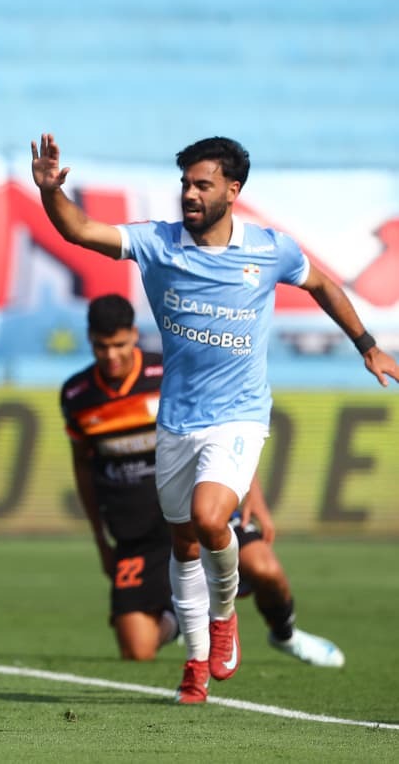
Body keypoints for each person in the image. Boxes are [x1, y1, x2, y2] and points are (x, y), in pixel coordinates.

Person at [32, 134, 396, 704]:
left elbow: (323, 283)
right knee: (183, 543)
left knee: (207, 520)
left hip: (240, 416)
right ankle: (196, 667)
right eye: (185, 184)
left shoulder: (269, 250)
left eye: (202, 184)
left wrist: (367, 344)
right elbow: (81, 230)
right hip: (178, 421)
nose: (190, 194)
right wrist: (52, 192)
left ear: (233, 189)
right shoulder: (158, 243)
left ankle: (225, 617)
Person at [62, 294, 344, 667]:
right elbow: (83, 468)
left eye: (119, 344)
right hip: (138, 534)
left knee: (266, 569)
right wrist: (101, 541)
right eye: (101, 346)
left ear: (134, 335)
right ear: (90, 340)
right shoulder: (77, 394)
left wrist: (251, 494)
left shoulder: (168, 375)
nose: (111, 355)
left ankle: (286, 635)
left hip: (198, 511)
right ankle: (183, 616)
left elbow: (222, 431)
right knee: (136, 649)